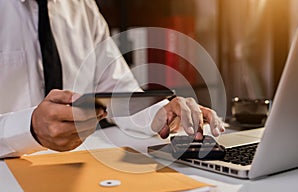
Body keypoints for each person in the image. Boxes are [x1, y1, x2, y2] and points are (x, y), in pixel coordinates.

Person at [0, 0, 224, 158]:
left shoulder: (82, 7)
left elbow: (118, 90)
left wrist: (160, 113)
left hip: (76, 171)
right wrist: (28, 129)